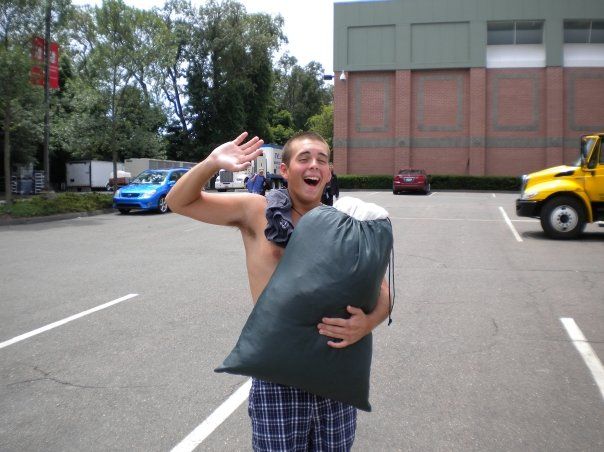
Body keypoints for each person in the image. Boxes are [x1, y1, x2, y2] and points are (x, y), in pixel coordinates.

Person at [166, 131, 390, 451]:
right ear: (284, 170)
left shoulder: (345, 225)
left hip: (334, 377)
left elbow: (384, 293)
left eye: (322, 160)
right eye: (304, 158)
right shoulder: (257, 211)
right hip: (277, 379)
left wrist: (367, 323)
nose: (314, 165)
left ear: (328, 174)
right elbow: (178, 201)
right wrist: (212, 163)